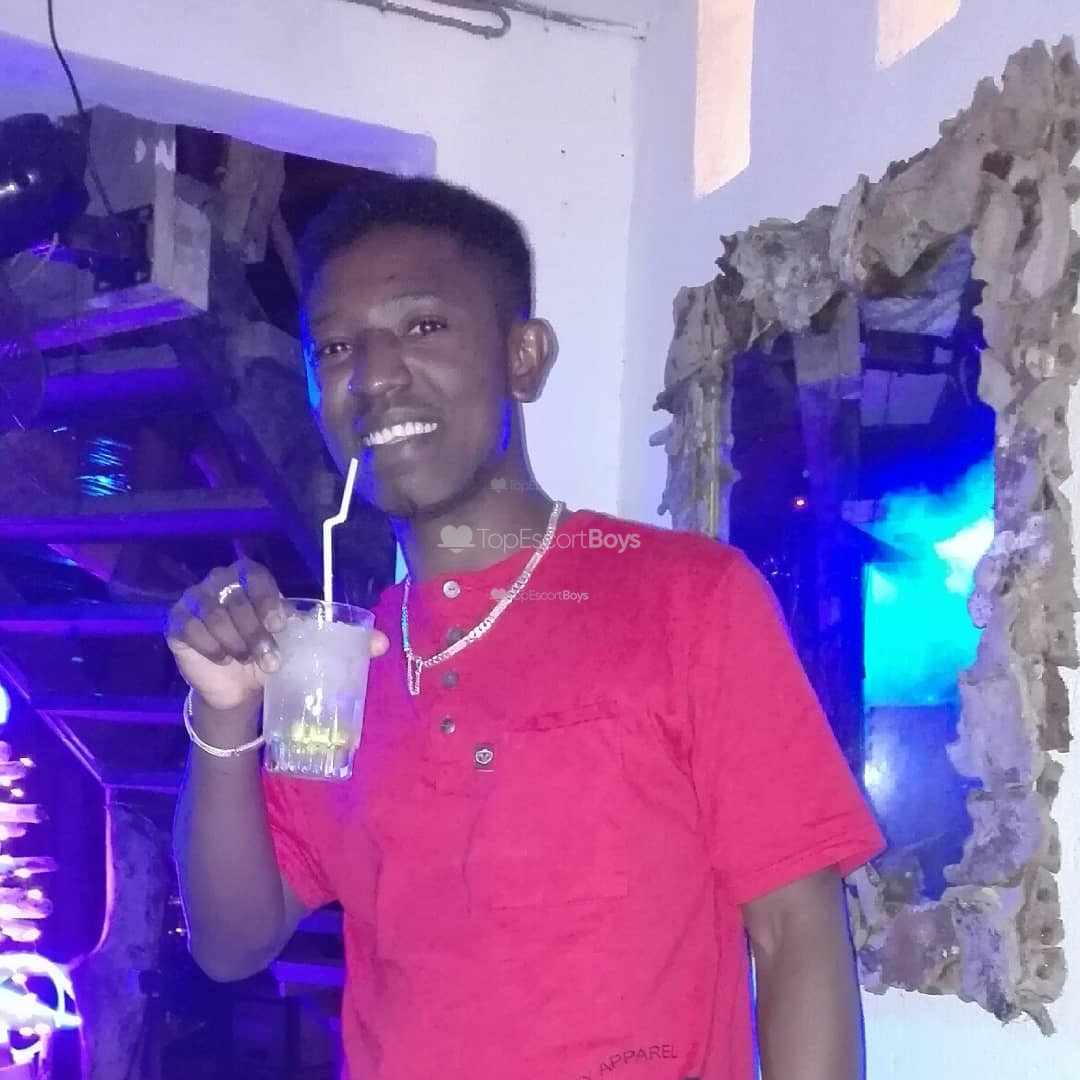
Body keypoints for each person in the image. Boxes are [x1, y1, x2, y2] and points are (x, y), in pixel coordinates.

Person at [169, 175, 885, 1080]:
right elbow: (231, 943)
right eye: (337, 346)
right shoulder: (340, 664)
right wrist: (225, 710)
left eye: (423, 325)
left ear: (523, 357)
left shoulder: (688, 600)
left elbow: (795, 932)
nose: (374, 374)